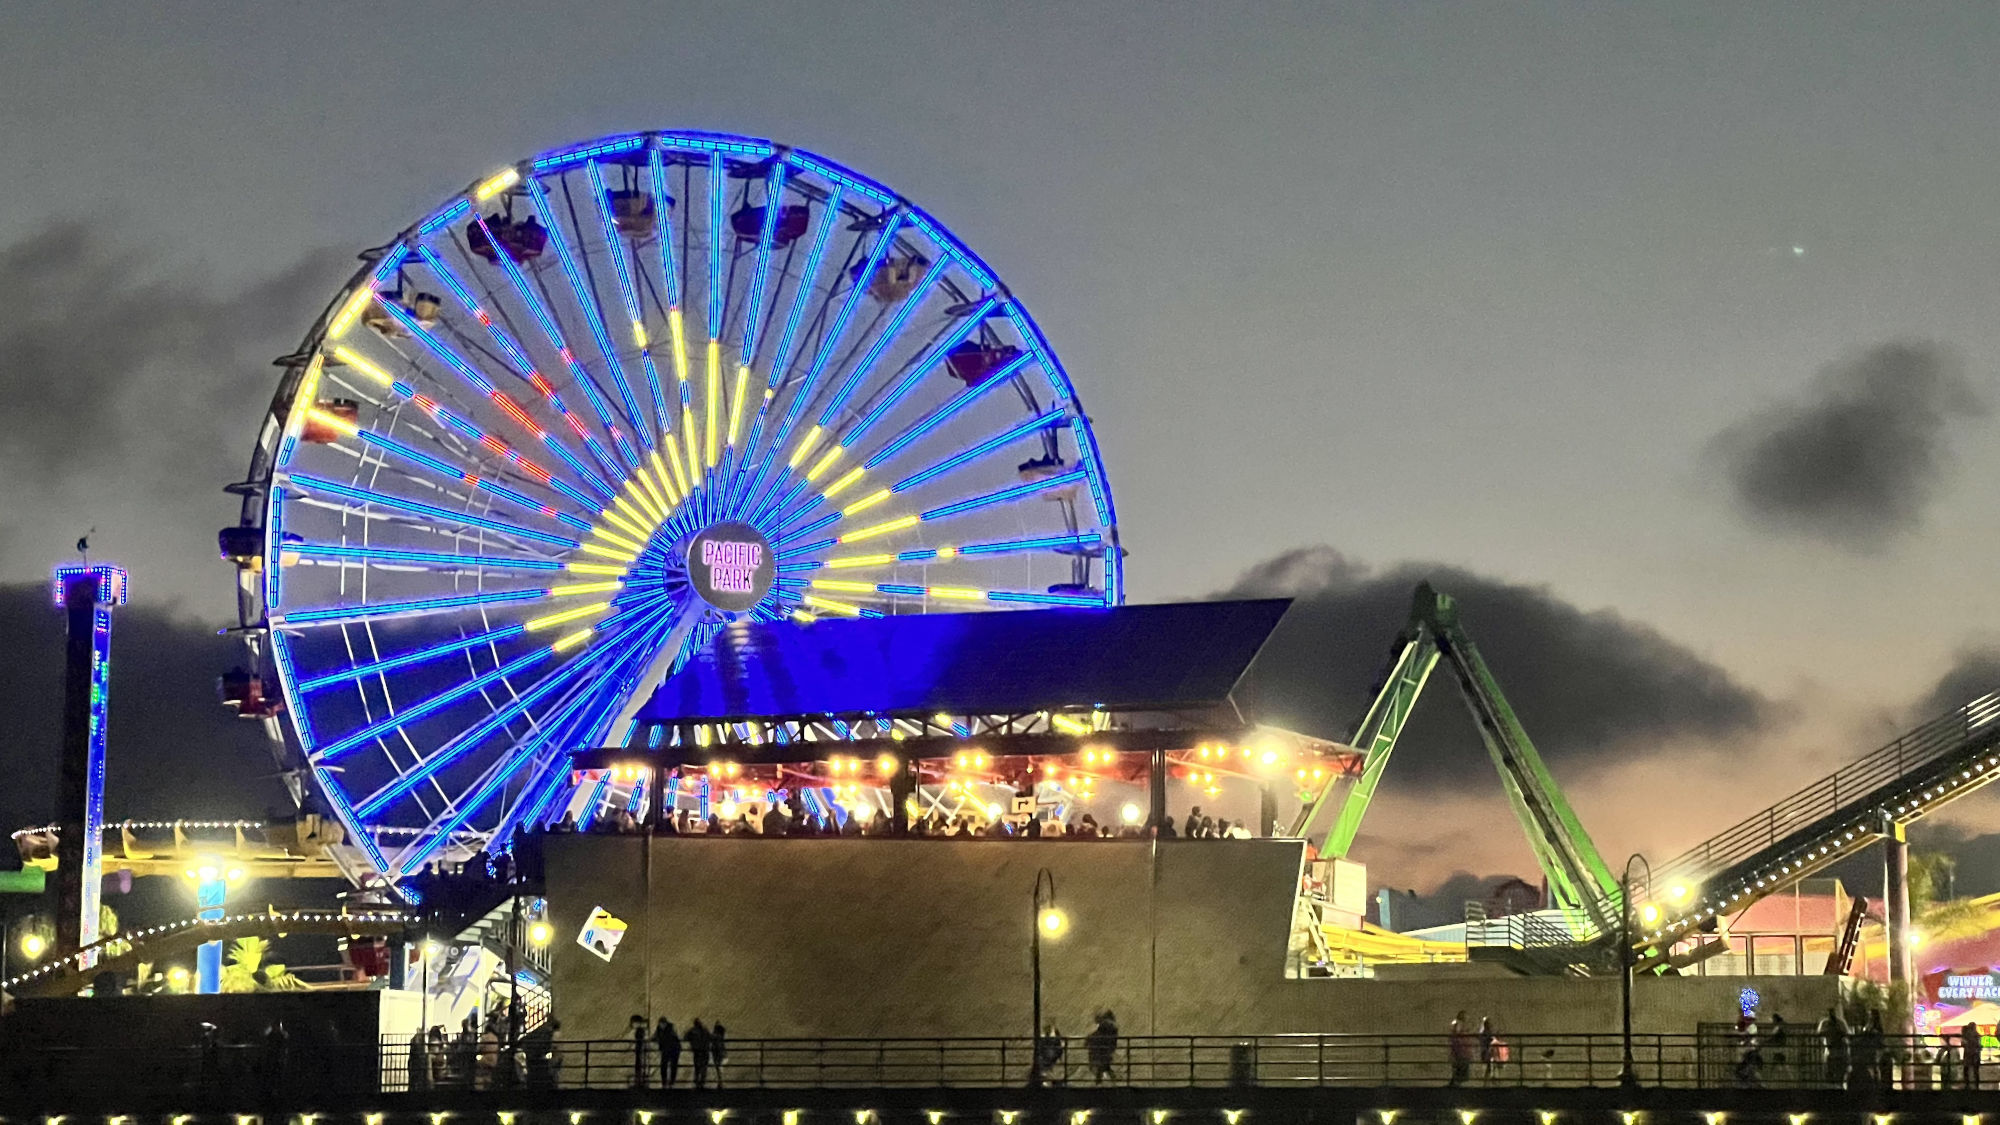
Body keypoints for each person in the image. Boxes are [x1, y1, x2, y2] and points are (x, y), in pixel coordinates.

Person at [1817, 1007, 1848, 1088]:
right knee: (1830, 1068)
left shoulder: (1840, 1022)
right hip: (1830, 1049)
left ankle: (1839, 1084)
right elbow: (1820, 1033)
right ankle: (1831, 1085)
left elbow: (1846, 1033)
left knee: (1840, 1069)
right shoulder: (1824, 1023)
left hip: (1840, 1049)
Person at [1085, 1010, 1119, 1084]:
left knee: (1101, 1066)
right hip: (1106, 1049)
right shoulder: (1112, 1026)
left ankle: (1100, 1081)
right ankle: (1111, 1080)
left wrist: (1089, 1039)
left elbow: (1098, 1034)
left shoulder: (1104, 1026)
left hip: (1101, 1049)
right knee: (1105, 1066)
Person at [1448, 1011, 1474, 1086]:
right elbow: (1457, 1036)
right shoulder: (1458, 1025)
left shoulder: (1459, 1025)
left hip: (1462, 1051)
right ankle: (1456, 1085)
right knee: (1460, 1069)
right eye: (1466, 1016)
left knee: (1459, 1070)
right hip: (1461, 1051)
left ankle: (1455, 1084)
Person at [654, 1018, 681, 1088]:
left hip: (673, 1049)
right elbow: (656, 1036)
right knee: (666, 1066)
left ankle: (669, 1082)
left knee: (671, 1066)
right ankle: (666, 1082)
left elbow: (658, 1036)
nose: (661, 1025)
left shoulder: (670, 1028)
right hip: (668, 1049)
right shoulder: (667, 1028)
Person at [687, 1019, 712, 1088]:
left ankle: (696, 1082)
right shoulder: (705, 1030)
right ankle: (702, 1082)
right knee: (704, 1067)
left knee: (697, 1067)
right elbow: (710, 1037)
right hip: (705, 1051)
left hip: (697, 1051)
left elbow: (686, 1037)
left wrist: (692, 1043)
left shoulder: (692, 1030)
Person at [1962, 1019, 1983, 1089]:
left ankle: (1967, 1084)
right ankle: (1976, 1085)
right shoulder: (1977, 1035)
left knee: (1966, 1069)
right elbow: (1979, 1046)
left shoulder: (1966, 1035)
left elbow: (1963, 1044)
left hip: (1968, 1053)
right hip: (1975, 1054)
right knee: (1975, 1070)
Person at [1478, 1016, 1500, 1081]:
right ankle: (1490, 1079)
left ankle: (1488, 1080)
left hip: (1487, 1051)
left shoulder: (1485, 1032)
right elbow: (1487, 1040)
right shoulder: (1486, 1032)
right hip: (1487, 1051)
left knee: (1489, 1066)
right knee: (1490, 1066)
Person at [711, 1021, 729, 1087]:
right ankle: (720, 1082)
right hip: (722, 1054)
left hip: (718, 1054)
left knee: (719, 1068)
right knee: (719, 1069)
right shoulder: (721, 1037)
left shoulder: (715, 1036)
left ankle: (720, 1082)